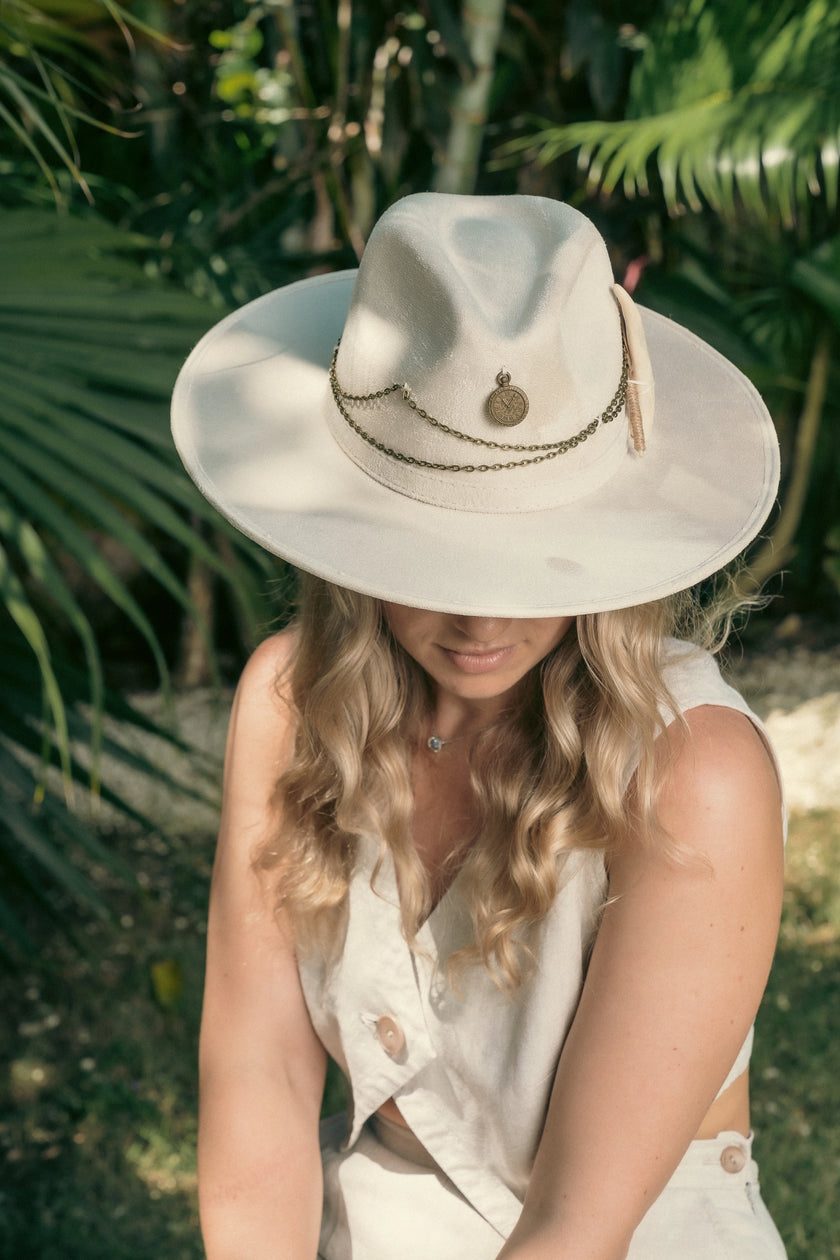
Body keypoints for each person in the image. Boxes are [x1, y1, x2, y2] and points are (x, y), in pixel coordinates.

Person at [171, 193, 788, 1259]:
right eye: (432, 553)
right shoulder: (289, 705)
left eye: (536, 553)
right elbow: (261, 1087)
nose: (481, 618)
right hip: (382, 1216)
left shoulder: (696, 772)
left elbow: (575, 1225)